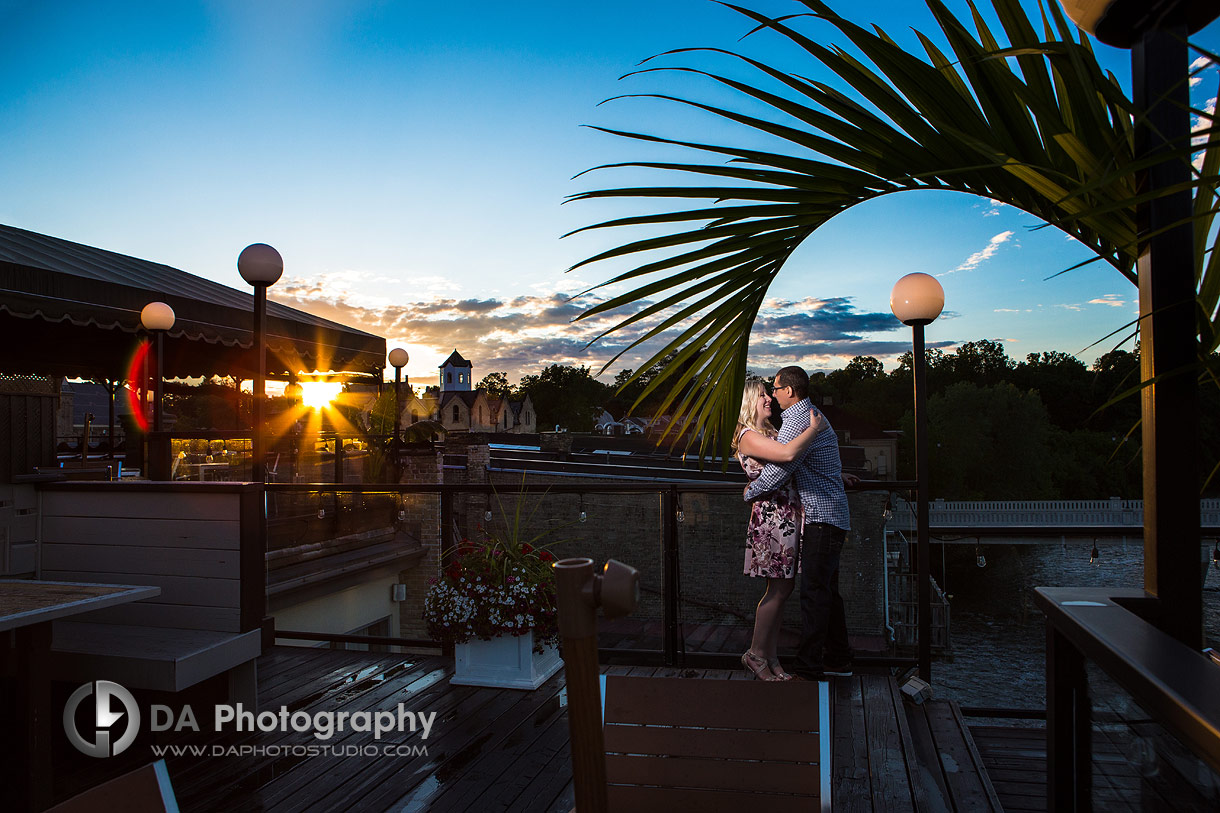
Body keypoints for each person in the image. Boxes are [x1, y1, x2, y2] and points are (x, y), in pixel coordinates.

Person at [744, 366, 858, 679]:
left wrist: (750, 491)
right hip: (822, 514)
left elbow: (782, 468)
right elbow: (802, 462)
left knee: (815, 594)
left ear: (790, 391)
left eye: (776, 389)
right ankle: (838, 659)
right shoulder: (811, 414)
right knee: (826, 592)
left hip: (820, 516)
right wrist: (835, 476)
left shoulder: (797, 419)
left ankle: (811, 665)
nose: (773, 394)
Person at [733, 379, 825, 681]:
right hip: (772, 518)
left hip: (787, 516)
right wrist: (814, 429)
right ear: (749, 401)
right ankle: (756, 655)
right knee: (778, 589)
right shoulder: (746, 436)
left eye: (769, 394)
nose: (769, 398)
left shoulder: (771, 432)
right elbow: (787, 456)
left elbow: (793, 465)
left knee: (782, 588)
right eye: (762, 395)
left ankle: (769, 655)